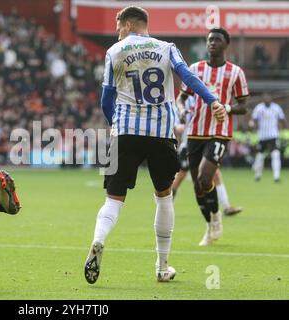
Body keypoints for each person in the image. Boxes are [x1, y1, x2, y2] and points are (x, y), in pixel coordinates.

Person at [84, 6, 226, 284]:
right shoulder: (167, 47)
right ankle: (162, 267)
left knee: (113, 199)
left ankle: (99, 239)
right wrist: (213, 100)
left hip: (125, 133)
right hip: (161, 133)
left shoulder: (114, 51)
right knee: (163, 196)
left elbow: (106, 99)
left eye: (118, 27)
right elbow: (187, 76)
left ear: (127, 24)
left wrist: (117, 125)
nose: (117, 32)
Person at [176, 28, 249, 246]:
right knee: (198, 187)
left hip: (220, 132)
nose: (212, 43)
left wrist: (226, 107)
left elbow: (243, 106)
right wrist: (181, 110)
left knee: (205, 177)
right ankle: (210, 225)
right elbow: (181, 98)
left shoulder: (235, 72)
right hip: (195, 132)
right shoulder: (194, 69)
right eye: (210, 40)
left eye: (217, 40)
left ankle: (216, 218)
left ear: (226, 44)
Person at [172, 95, 243, 216]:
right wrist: (177, 126)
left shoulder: (211, 99)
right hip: (189, 142)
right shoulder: (186, 100)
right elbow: (175, 118)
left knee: (215, 172)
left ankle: (226, 206)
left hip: (207, 142)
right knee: (181, 174)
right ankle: (167, 203)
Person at [250, 94, 288, 182]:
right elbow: (254, 120)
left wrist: (286, 129)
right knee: (260, 156)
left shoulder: (276, 108)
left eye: (268, 98)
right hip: (262, 136)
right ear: (263, 99)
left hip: (273, 135)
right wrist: (252, 125)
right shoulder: (259, 108)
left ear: (271, 99)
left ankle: (276, 176)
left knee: (275, 154)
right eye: (265, 98)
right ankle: (257, 175)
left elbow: (282, 119)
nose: (267, 99)